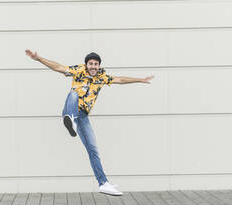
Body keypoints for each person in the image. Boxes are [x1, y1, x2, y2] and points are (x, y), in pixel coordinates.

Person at [25, 49, 154, 196]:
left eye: (96, 64)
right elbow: (58, 67)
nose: (93, 66)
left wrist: (140, 80)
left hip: (83, 117)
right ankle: (70, 121)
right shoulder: (78, 71)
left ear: (99, 66)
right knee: (73, 94)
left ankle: (103, 183)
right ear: (86, 65)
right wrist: (39, 58)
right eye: (91, 64)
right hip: (70, 109)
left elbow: (119, 80)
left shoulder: (102, 77)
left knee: (93, 150)